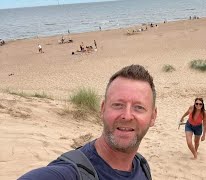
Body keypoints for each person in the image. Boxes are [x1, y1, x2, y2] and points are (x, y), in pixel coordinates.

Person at [19, 64, 157, 180]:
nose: (127, 116)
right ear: (103, 109)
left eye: (138, 107)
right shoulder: (71, 173)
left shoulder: (142, 166)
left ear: (153, 116)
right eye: (118, 105)